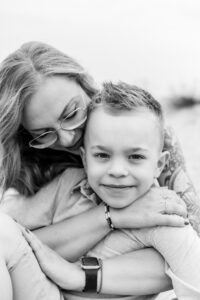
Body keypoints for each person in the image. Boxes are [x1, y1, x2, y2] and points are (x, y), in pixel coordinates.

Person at [0, 41, 199, 299]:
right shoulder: (35, 165)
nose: (68, 138)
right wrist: (113, 215)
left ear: (84, 84)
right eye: (44, 134)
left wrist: (82, 275)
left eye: (71, 113)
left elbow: (191, 237)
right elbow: (18, 244)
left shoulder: (142, 131)